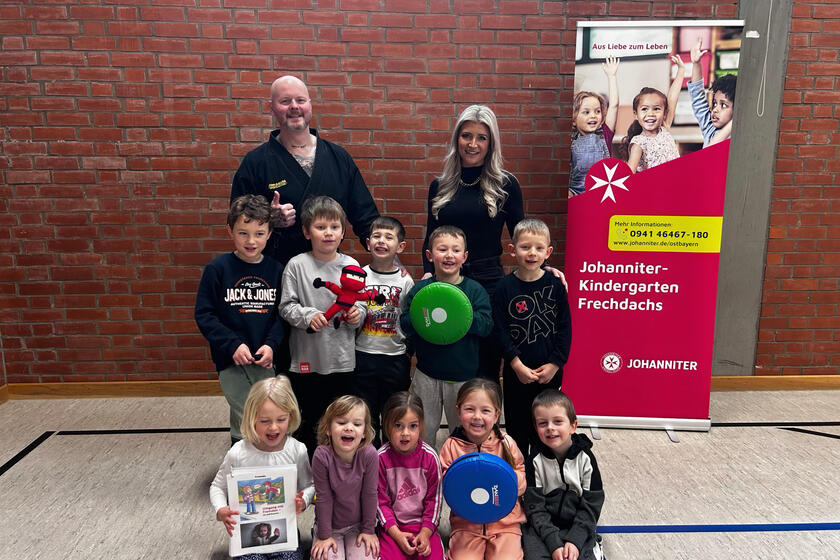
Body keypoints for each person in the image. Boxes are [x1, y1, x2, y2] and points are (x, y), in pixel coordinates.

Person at [230, 75, 379, 267]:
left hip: (328, 273)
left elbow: (366, 218)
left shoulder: (338, 158)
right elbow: (236, 220)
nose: (294, 106)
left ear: (310, 105)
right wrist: (268, 218)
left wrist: (390, 261)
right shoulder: (256, 162)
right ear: (272, 108)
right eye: (285, 101)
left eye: (300, 100)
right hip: (274, 270)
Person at [421, 104, 522, 381]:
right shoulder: (439, 186)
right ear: (457, 139)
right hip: (447, 279)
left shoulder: (506, 185)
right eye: (467, 135)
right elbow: (430, 238)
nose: (473, 144)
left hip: (488, 282)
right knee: (450, 355)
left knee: (486, 361)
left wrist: (543, 267)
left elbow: (520, 235)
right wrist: (429, 275)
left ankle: (486, 424)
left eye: (482, 137)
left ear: (491, 143)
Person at [278, 196, 366, 455]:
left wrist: (356, 315)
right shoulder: (296, 265)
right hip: (307, 360)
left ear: (342, 232)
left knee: (341, 420)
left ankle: (339, 469)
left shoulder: (351, 265)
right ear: (306, 231)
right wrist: (307, 316)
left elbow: (362, 304)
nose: (328, 233)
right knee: (308, 419)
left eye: (335, 227)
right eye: (320, 227)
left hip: (342, 359)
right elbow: (286, 307)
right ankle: (309, 471)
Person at [195, 195, 285, 445]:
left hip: (264, 359)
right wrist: (232, 344)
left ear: (269, 233)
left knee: (269, 413)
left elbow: (282, 316)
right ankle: (241, 464)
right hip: (230, 359)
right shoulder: (218, 269)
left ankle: (268, 465)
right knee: (246, 413)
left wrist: (272, 345)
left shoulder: (276, 270)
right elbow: (205, 314)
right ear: (230, 231)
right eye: (243, 233)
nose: (251, 240)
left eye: (259, 233)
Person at [399, 226, 493, 446]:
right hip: (426, 373)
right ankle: (424, 472)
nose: (449, 255)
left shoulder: (474, 290)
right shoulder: (421, 290)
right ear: (430, 255)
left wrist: (458, 318)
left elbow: (486, 325)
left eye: (455, 250)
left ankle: (461, 474)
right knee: (423, 430)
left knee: (462, 432)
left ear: (464, 256)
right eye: (442, 249)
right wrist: (424, 316)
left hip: (462, 376)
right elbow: (405, 323)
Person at [491, 218, 571, 457]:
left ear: (548, 252)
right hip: (518, 372)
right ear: (512, 249)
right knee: (517, 425)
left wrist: (556, 363)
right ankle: (520, 472)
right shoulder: (504, 288)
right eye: (525, 247)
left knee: (546, 424)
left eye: (538, 248)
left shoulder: (555, 285)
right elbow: (500, 330)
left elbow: (565, 328)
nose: (532, 253)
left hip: (550, 370)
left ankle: (545, 471)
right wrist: (515, 364)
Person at [210, 376, 314, 560]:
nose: (273, 427)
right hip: (247, 539)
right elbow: (217, 487)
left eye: (281, 419)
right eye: (265, 421)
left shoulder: (297, 450)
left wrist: (304, 500)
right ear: (252, 418)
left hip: (283, 535)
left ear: (291, 416)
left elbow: (310, 485)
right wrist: (221, 510)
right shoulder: (238, 452)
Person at [439, 379, 526, 560]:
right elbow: (446, 484)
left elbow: (521, 476)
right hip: (467, 524)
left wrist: (503, 481)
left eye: (485, 410)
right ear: (458, 411)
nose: (477, 416)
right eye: (469, 409)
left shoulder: (506, 443)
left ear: (496, 415)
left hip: (505, 524)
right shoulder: (451, 446)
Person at [522, 389, 605, 560]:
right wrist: (553, 543)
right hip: (542, 526)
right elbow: (534, 507)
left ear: (573, 426)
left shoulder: (586, 459)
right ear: (536, 428)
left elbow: (592, 505)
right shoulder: (534, 460)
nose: (550, 428)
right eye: (543, 423)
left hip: (577, 523)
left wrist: (575, 540)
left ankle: (593, 543)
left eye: (558, 421)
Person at [355, 217, 415, 447]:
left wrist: (407, 353)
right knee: (366, 416)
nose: (382, 241)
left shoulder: (405, 281)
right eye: (377, 236)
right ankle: (370, 462)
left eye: (388, 237)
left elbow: (409, 319)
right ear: (368, 242)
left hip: (395, 358)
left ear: (400, 247)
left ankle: (391, 461)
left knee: (393, 416)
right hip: (363, 355)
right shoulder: (360, 276)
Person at [377, 392, 445, 560]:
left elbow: (434, 502)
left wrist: (426, 532)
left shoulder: (430, 457)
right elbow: (380, 502)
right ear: (387, 426)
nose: (405, 433)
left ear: (421, 426)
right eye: (398, 425)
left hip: (424, 526)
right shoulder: (380, 458)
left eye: (412, 426)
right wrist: (397, 534)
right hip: (392, 528)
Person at [311, 395, 380, 560]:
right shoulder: (321, 456)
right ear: (328, 428)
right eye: (341, 423)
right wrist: (324, 535)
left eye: (356, 424)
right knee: (324, 556)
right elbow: (323, 497)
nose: (349, 428)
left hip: (359, 525)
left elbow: (370, 494)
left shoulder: (370, 454)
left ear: (364, 432)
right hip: (329, 526)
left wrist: (369, 530)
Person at [622, 56, 686, 173]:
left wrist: (681, 70)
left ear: (664, 113)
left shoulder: (664, 128)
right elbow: (629, 174)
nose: (650, 114)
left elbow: (672, 97)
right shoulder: (639, 142)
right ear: (636, 114)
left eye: (656, 109)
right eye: (644, 109)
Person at [569, 56, 619, 196]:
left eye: (597, 111)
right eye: (586, 112)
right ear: (573, 120)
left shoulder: (605, 134)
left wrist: (612, 76)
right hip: (576, 192)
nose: (593, 116)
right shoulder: (571, 141)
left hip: (603, 192)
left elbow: (614, 106)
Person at [686, 38, 736, 147]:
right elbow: (697, 97)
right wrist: (696, 63)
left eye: (723, 105)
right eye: (714, 103)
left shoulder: (739, 135)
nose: (715, 110)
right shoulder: (710, 129)